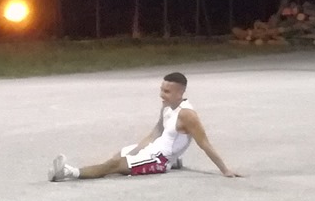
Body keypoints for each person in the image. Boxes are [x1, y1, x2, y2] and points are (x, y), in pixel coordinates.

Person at [48, 72, 240, 181]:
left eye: (167, 91)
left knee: (113, 166)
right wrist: (138, 149)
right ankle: (172, 160)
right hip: (152, 150)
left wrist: (225, 170)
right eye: (161, 90)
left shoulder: (188, 115)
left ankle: (68, 173)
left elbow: (204, 144)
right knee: (118, 156)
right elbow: (157, 131)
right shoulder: (167, 106)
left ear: (180, 93)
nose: (161, 94)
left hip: (159, 160)